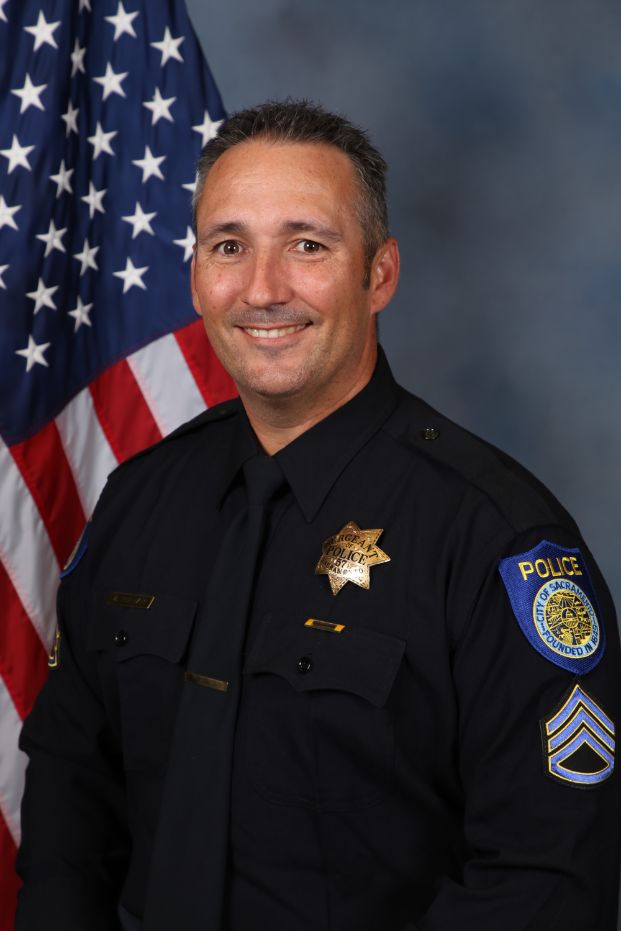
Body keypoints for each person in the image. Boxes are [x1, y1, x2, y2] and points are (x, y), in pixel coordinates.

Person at [16, 101, 620, 931]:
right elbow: (66, 803)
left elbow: (544, 880)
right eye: (229, 246)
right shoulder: (139, 502)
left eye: (307, 244)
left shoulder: (495, 539)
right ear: (196, 274)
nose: (262, 289)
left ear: (379, 274)